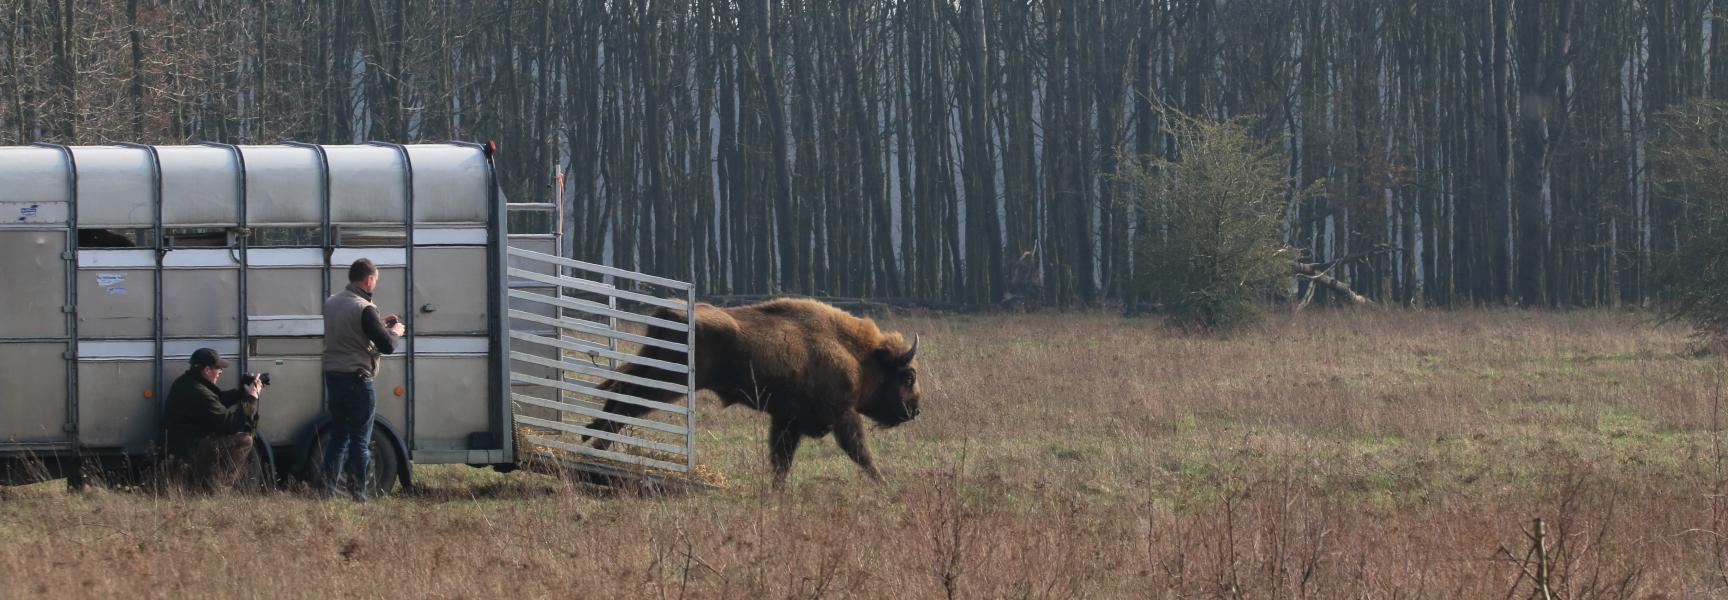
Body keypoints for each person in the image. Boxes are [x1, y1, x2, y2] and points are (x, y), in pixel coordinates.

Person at [321, 258, 404, 501]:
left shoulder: (331, 302)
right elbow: (387, 346)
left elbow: (350, 332)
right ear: (368, 280)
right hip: (358, 381)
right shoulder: (365, 308)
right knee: (359, 439)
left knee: (338, 438)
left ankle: (325, 492)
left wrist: (379, 323)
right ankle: (358, 495)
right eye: (375, 280)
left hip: (334, 378)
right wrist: (395, 332)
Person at [162, 347, 264, 492]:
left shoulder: (187, 382)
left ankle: (205, 483)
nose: (221, 372)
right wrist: (252, 399)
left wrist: (243, 393)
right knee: (245, 440)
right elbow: (231, 425)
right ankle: (217, 488)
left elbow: (217, 401)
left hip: (180, 446)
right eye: (218, 368)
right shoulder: (199, 392)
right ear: (207, 370)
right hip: (191, 450)